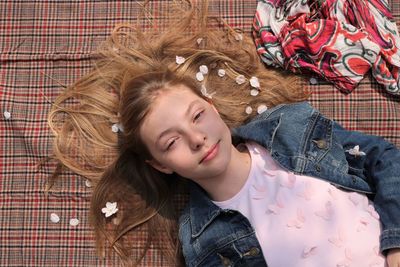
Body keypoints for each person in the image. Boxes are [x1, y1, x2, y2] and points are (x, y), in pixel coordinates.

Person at [47, 1, 400, 266]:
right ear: (159, 165)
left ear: (212, 106)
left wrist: (395, 245)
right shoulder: (204, 243)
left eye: (197, 116)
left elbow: (384, 160)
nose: (197, 138)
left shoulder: (291, 129)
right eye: (172, 142)